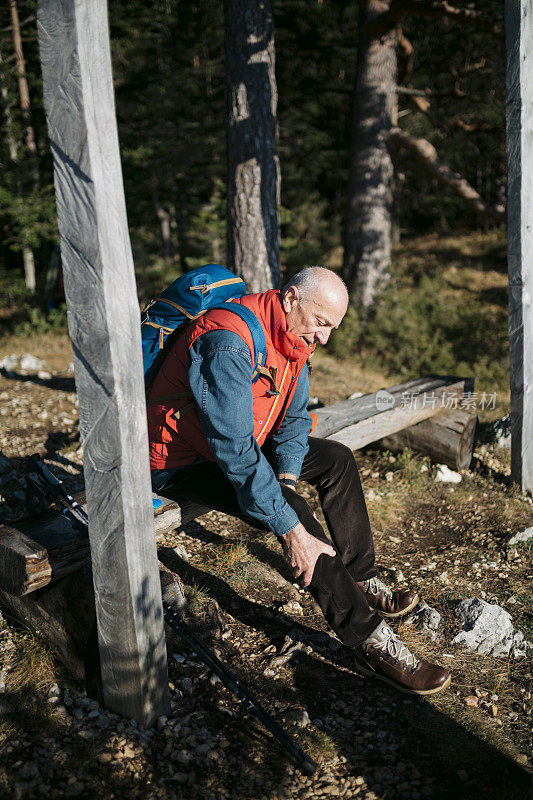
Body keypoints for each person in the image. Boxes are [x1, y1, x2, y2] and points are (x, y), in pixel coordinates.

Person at [148, 267, 450, 695]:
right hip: (180, 462)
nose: (325, 338)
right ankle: (371, 641)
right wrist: (288, 525)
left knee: (337, 461)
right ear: (290, 299)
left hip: (237, 443)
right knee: (296, 519)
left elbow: (291, 421)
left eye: (333, 328)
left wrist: (286, 482)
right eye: (322, 322)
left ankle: (360, 579)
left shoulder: (295, 336)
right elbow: (234, 452)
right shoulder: (227, 342)